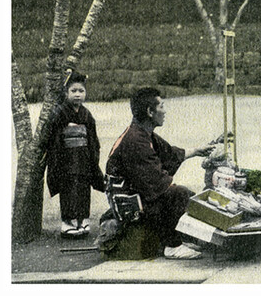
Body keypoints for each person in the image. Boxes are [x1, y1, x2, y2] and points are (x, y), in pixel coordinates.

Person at [105, 87, 216, 260]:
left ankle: (175, 239)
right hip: (127, 205)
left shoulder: (142, 133)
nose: (164, 111)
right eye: (161, 106)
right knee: (178, 194)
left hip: (134, 195)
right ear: (150, 111)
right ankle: (172, 245)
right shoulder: (136, 141)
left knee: (180, 194)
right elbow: (157, 185)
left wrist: (197, 151)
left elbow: (169, 154)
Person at [42, 70, 105, 239]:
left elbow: (93, 138)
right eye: (73, 91)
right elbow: (52, 136)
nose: (77, 95)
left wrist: (93, 157)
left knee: (84, 189)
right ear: (66, 93)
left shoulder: (86, 114)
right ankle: (67, 222)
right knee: (68, 190)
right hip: (66, 159)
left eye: (81, 91)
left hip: (83, 158)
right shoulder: (60, 112)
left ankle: (83, 220)